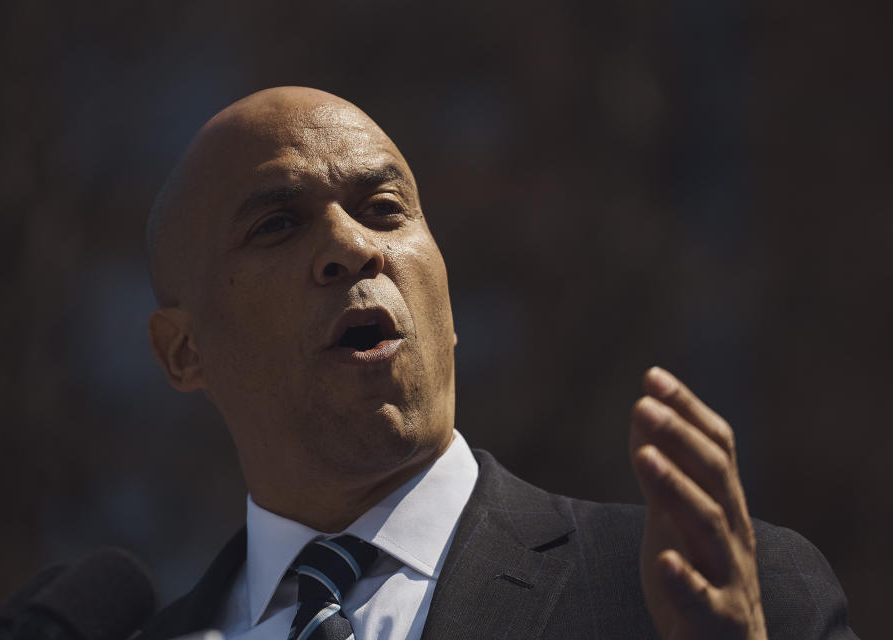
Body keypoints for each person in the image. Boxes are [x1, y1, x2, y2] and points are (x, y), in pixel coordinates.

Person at [139, 87, 855, 639]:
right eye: (277, 224)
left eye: (385, 208)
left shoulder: (709, 590)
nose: (353, 247)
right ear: (183, 350)